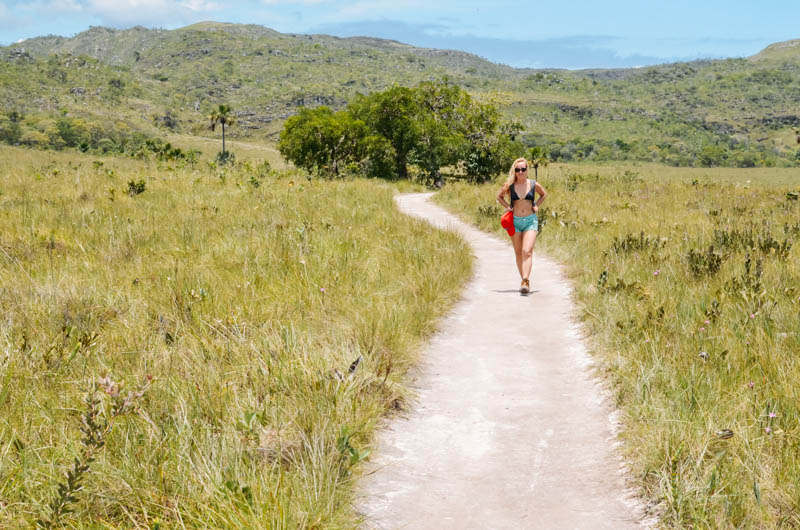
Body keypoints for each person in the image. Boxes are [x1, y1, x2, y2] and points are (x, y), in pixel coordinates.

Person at [496, 157, 547, 294]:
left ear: (527, 170)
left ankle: (525, 280)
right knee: (518, 252)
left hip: (530, 220)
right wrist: (508, 207)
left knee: (527, 251)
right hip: (516, 221)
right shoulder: (510, 186)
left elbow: (543, 194)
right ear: (515, 171)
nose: (520, 172)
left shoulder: (533, 184)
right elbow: (499, 197)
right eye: (518, 169)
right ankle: (523, 281)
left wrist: (536, 204)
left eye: (523, 169)